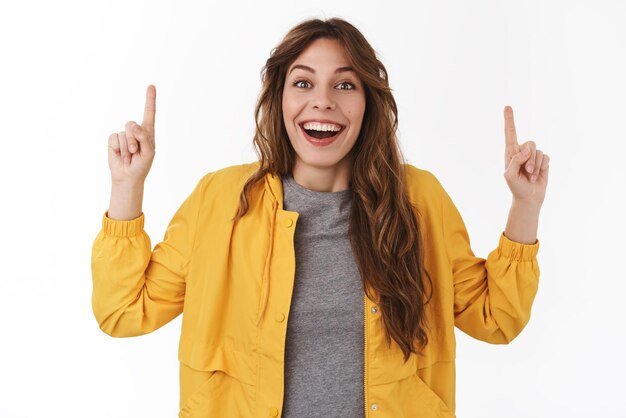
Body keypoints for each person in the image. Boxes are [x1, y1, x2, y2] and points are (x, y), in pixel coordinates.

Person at [92, 17, 550, 418]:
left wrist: (525, 205)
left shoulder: (418, 200)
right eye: (304, 83)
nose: (323, 101)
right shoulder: (220, 199)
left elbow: (495, 318)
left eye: (345, 84)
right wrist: (127, 187)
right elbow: (123, 311)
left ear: (369, 102)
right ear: (280, 98)